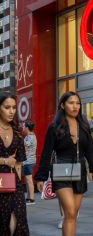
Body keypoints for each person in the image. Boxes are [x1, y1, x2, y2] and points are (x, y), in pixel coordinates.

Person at [35, 91, 93, 236]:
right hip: (61, 171)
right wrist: (41, 177)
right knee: (70, 211)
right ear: (63, 105)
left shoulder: (84, 125)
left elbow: (91, 148)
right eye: (71, 103)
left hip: (80, 171)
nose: (75, 106)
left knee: (73, 214)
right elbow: (46, 152)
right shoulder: (55, 127)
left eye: (77, 103)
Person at [0, 92, 29, 235]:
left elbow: (18, 162)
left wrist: (18, 183)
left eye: (13, 107)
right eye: (7, 107)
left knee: (18, 216)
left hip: (12, 181)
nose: (11, 111)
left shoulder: (17, 132)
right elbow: (10, 160)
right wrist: (5, 160)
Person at [23, 121, 37, 205]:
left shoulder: (29, 137)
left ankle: (31, 199)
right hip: (29, 161)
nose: (23, 128)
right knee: (28, 180)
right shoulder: (31, 136)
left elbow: (25, 148)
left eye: (24, 126)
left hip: (28, 161)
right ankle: (28, 197)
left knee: (29, 180)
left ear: (27, 128)